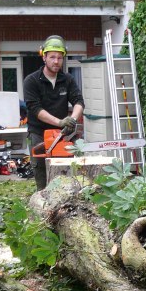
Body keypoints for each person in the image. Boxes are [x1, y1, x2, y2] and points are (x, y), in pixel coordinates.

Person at [23, 35, 85, 190]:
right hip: (38, 132)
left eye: (59, 57)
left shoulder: (68, 80)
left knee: (63, 170)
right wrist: (59, 122)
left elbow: (79, 102)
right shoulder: (32, 81)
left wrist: (72, 119)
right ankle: (42, 201)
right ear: (43, 56)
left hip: (61, 133)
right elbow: (35, 109)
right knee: (41, 171)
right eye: (52, 57)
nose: (56, 61)